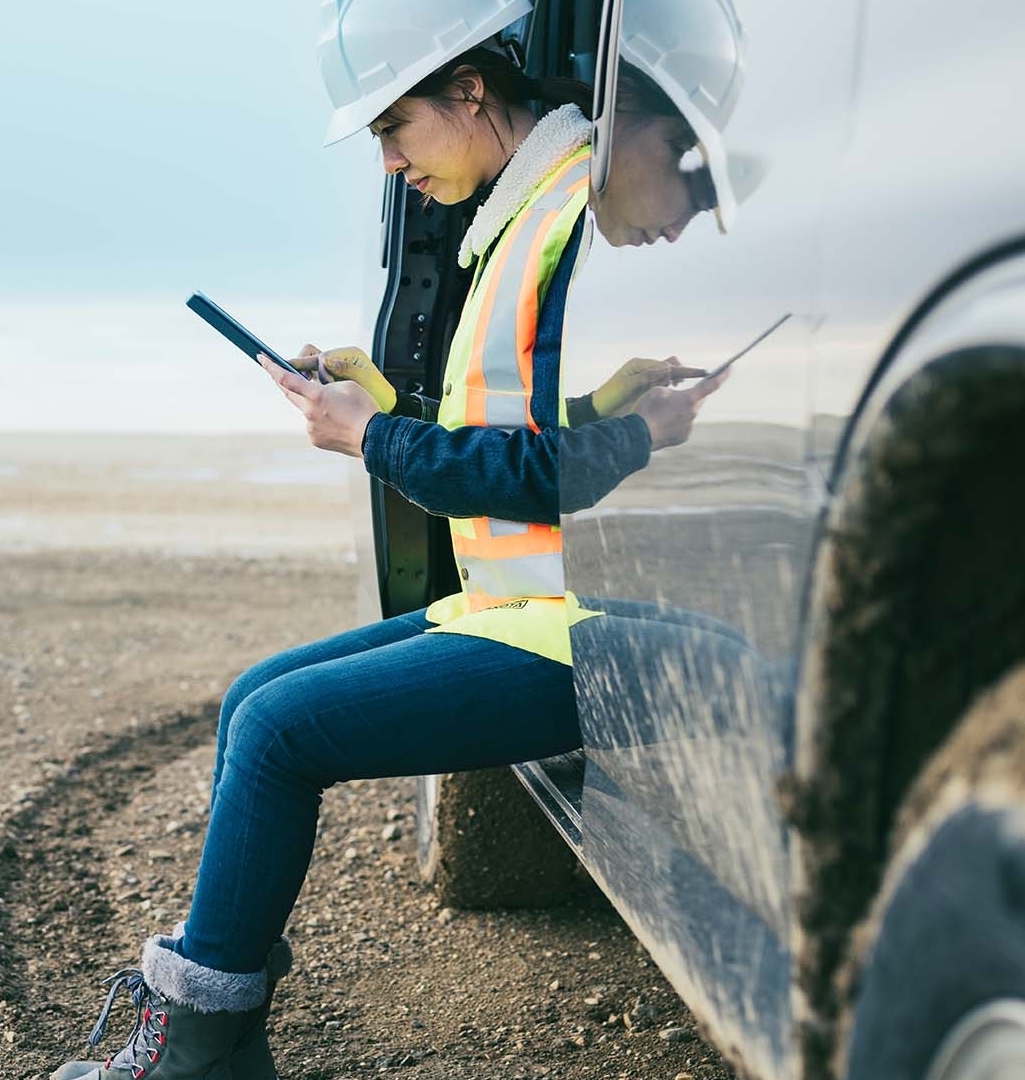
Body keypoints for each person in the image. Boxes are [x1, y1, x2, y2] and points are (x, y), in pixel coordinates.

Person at [47, 1, 763, 1077]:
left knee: (284, 732)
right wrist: (386, 399)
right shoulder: (518, 218)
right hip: (511, 606)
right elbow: (520, 442)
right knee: (253, 698)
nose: (388, 163)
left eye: (394, 128)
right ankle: (216, 1038)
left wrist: (373, 436)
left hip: (565, 629)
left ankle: (197, 1054)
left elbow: (539, 482)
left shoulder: (565, 206)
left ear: (469, 92)